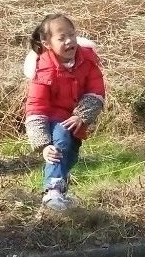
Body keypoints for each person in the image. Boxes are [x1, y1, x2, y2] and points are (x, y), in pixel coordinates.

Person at [23, 13, 106, 211]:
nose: (69, 41)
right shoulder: (43, 69)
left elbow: (96, 91)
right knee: (59, 140)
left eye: (72, 35)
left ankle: (60, 191)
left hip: (74, 118)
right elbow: (36, 106)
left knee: (70, 154)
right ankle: (52, 191)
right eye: (62, 38)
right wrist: (43, 144)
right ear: (47, 43)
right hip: (52, 119)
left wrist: (82, 115)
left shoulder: (87, 60)